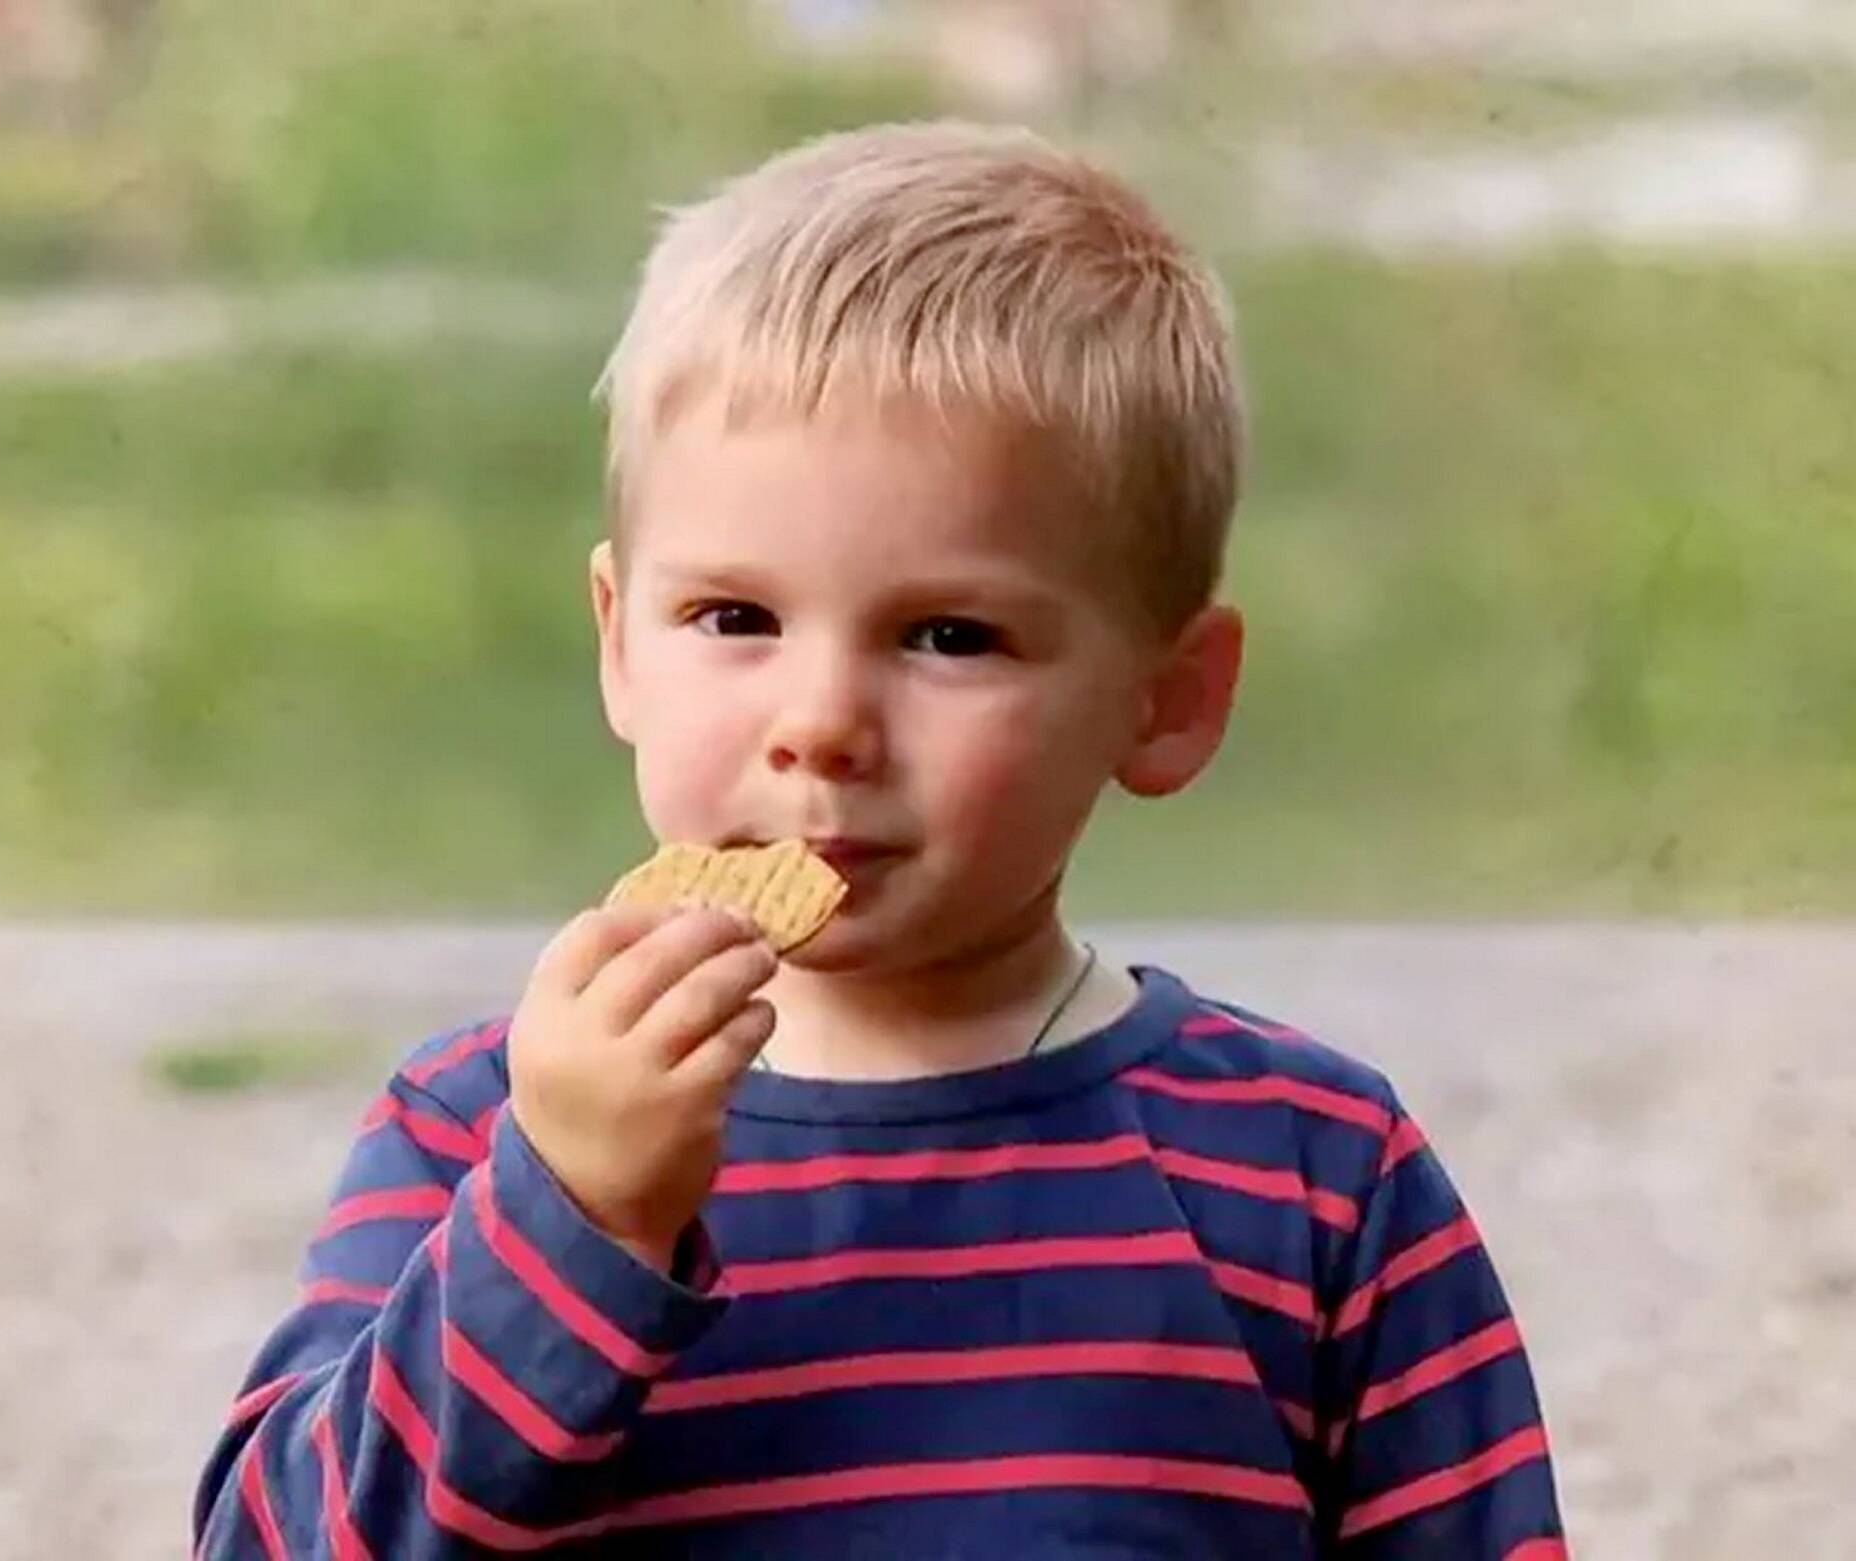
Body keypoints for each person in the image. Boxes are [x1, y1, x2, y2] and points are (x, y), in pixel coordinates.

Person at [193, 120, 1565, 1558]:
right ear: (618, 644)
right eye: (735, 617)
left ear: (1164, 702)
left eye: (947, 635)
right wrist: (570, 1220)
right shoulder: (480, 1129)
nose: (822, 721)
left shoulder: (1306, 1173)